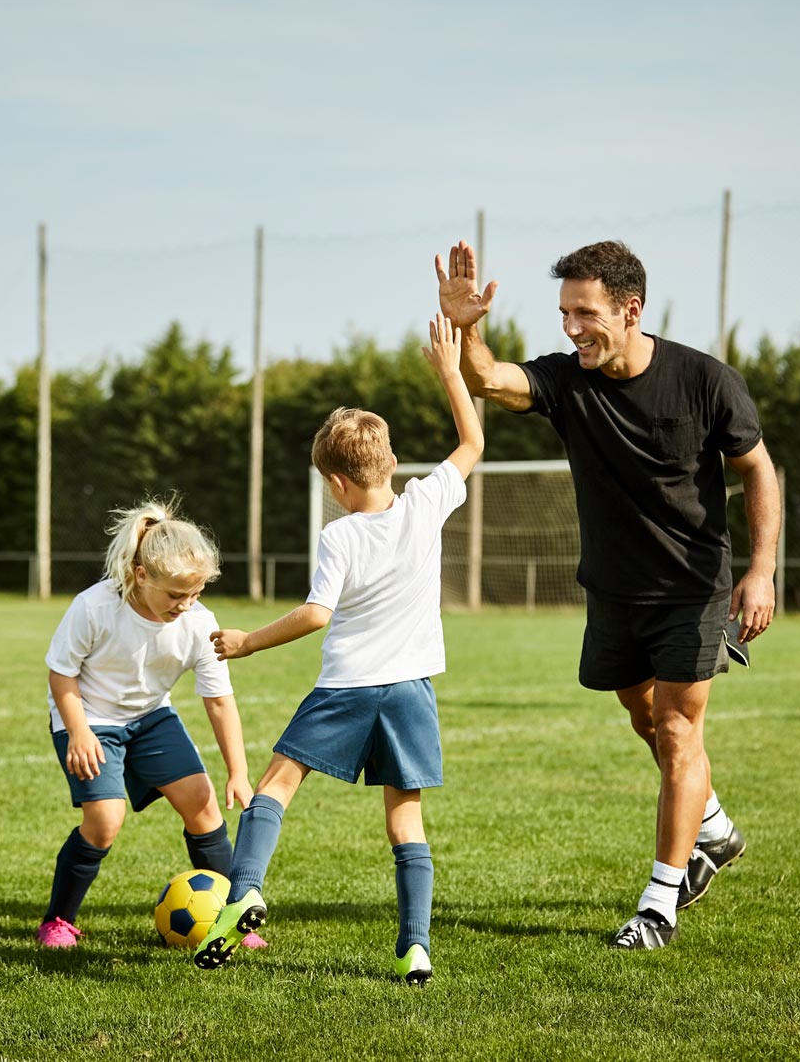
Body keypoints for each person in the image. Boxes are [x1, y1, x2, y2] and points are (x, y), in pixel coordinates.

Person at [435, 239, 780, 950]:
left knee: (681, 730)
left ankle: (659, 904)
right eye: (564, 313)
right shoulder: (569, 381)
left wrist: (761, 569)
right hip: (614, 591)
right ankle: (712, 827)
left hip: (693, 586)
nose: (570, 328)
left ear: (630, 309)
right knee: (643, 712)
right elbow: (491, 379)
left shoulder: (707, 380)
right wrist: (467, 325)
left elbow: (759, 470)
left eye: (584, 313)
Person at [194, 313, 483, 985]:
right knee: (404, 817)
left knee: (275, 783)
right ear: (389, 463)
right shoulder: (425, 503)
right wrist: (449, 368)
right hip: (411, 688)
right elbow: (472, 438)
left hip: (348, 685)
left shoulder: (339, 536)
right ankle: (416, 947)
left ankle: (245, 893)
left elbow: (317, 614)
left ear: (336, 483)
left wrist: (247, 642)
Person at [37, 497, 264, 951]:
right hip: (89, 717)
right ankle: (57, 922)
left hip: (151, 718)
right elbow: (61, 673)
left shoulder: (200, 623)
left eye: (195, 593)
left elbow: (219, 702)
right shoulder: (96, 606)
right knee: (104, 821)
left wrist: (238, 771)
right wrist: (78, 732)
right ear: (141, 575)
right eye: (176, 595)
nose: (186, 605)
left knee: (203, 806)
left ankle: (231, 919)